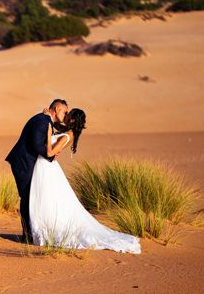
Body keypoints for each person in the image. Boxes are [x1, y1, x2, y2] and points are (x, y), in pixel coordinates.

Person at [28, 108, 141, 253]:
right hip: (44, 167)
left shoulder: (68, 136)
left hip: (47, 167)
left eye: (68, 115)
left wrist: (49, 134)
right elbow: (55, 125)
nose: (66, 116)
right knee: (48, 199)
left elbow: (50, 152)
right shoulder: (67, 132)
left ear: (73, 120)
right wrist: (47, 117)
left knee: (48, 199)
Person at [5, 99, 68, 242]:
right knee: (27, 198)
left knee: (30, 197)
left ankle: (29, 235)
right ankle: (27, 236)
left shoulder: (45, 119)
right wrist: (50, 155)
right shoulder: (42, 121)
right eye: (65, 112)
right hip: (23, 163)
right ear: (57, 108)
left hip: (27, 163)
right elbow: (36, 145)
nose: (66, 115)